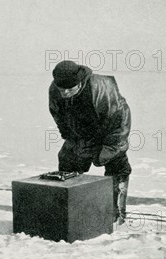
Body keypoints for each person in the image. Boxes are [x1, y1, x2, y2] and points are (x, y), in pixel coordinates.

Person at [48, 60, 131, 224]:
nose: (64, 93)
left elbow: (120, 119)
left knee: (118, 167)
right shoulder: (55, 89)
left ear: (79, 83)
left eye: (69, 89)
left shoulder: (102, 88)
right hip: (81, 133)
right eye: (61, 89)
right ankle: (72, 211)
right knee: (67, 162)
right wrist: (68, 135)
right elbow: (57, 114)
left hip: (109, 131)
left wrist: (111, 148)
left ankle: (116, 215)